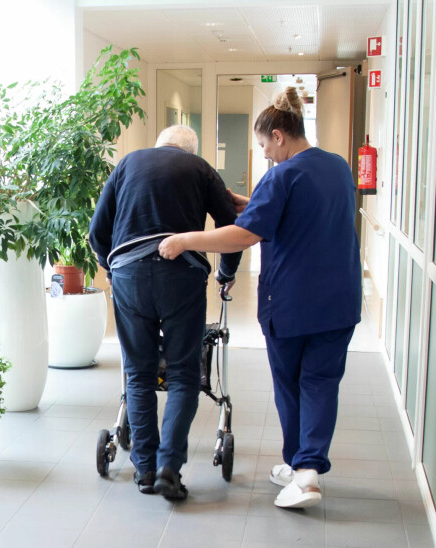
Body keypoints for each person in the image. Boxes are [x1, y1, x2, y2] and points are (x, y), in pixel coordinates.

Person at [158, 88, 361, 509]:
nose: (265, 154)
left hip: (294, 305)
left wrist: (183, 240)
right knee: (321, 383)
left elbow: (244, 235)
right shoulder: (337, 167)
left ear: (279, 135)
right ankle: (305, 467)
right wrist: (252, 204)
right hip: (339, 302)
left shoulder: (281, 176)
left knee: (290, 386)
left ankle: (304, 473)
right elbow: (302, 214)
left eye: (264, 145)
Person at [89, 125, 241, 501]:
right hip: (182, 278)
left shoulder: (127, 164)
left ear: (158, 145)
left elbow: (97, 231)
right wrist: (226, 274)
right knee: (184, 374)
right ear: (190, 149)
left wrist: (116, 270)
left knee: (139, 376)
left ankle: (144, 471)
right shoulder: (201, 168)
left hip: (129, 276)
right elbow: (231, 227)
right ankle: (169, 470)